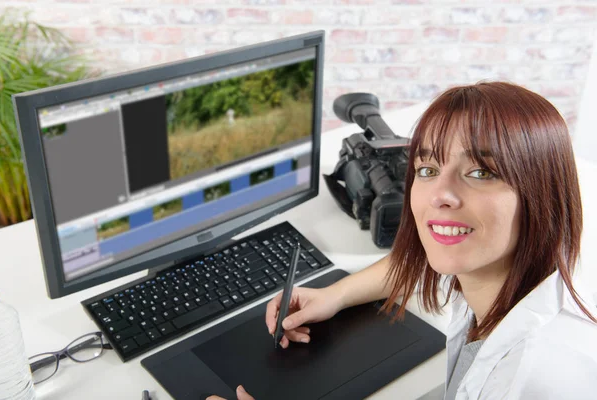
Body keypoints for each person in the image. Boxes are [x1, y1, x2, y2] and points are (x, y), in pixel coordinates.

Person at [207, 81, 597, 400]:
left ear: (541, 194)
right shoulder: (511, 264)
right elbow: (422, 257)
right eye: (428, 168)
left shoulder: (540, 377)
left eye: (481, 173)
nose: (439, 194)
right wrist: (336, 294)